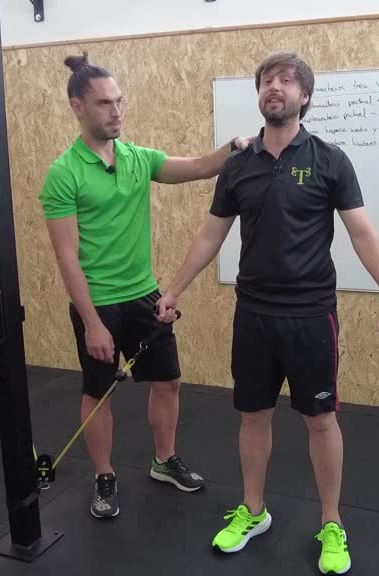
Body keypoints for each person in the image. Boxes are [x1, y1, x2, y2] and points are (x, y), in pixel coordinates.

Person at [155, 52, 379, 575]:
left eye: (287, 80)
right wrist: (174, 289)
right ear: (259, 95)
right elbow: (211, 234)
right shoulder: (238, 165)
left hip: (311, 315)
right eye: (267, 80)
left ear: (304, 96)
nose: (275, 86)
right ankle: (253, 511)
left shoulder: (330, 160)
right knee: (253, 414)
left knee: (321, 419)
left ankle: (332, 523)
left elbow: (362, 232)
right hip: (253, 313)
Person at [38, 52, 252, 520]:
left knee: (168, 381)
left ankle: (163, 460)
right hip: (98, 303)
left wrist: (235, 146)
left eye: (119, 101)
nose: (116, 112)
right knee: (99, 393)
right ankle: (104, 475)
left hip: (143, 294)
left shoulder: (138, 159)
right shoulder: (64, 173)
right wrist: (92, 323)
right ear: (77, 107)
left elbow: (200, 166)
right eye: (104, 104)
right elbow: (66, 257)